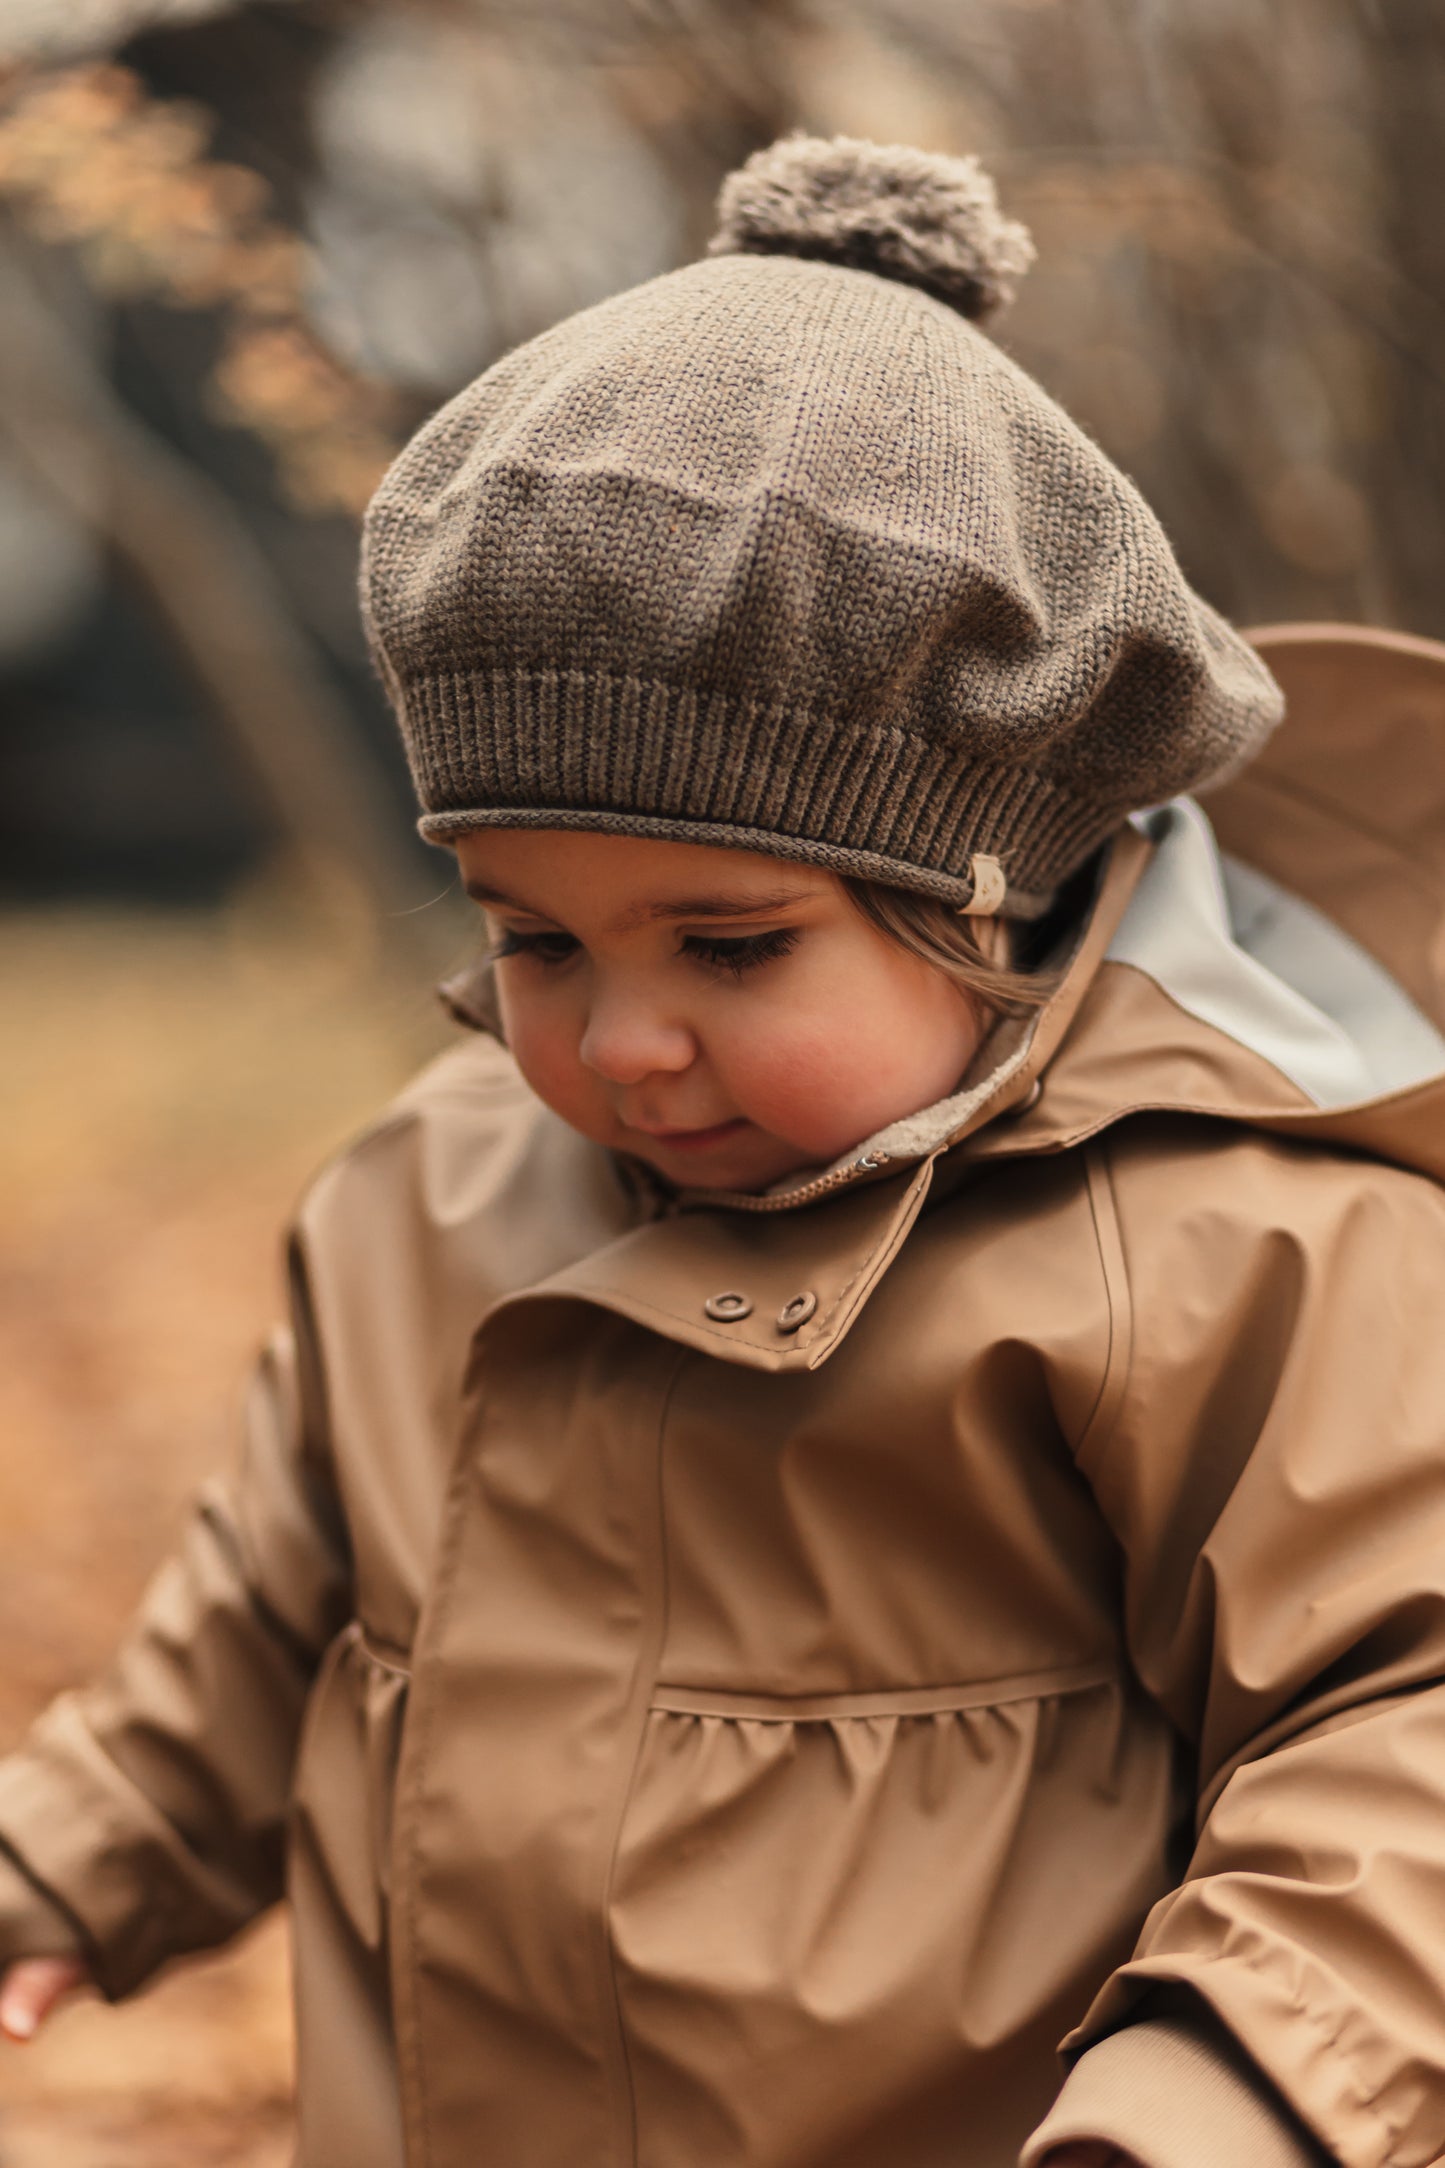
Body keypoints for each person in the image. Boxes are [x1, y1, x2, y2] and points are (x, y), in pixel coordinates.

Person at [2, 132, 1444, 2168]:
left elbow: (1408, 1714)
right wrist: (67, 1854)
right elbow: (258, 1615)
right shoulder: (433, 1195)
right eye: (531, 937)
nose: (624, 1036)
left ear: (996, 890)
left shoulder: (1228, 1248)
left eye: (735, 943)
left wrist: (1233, 2087)